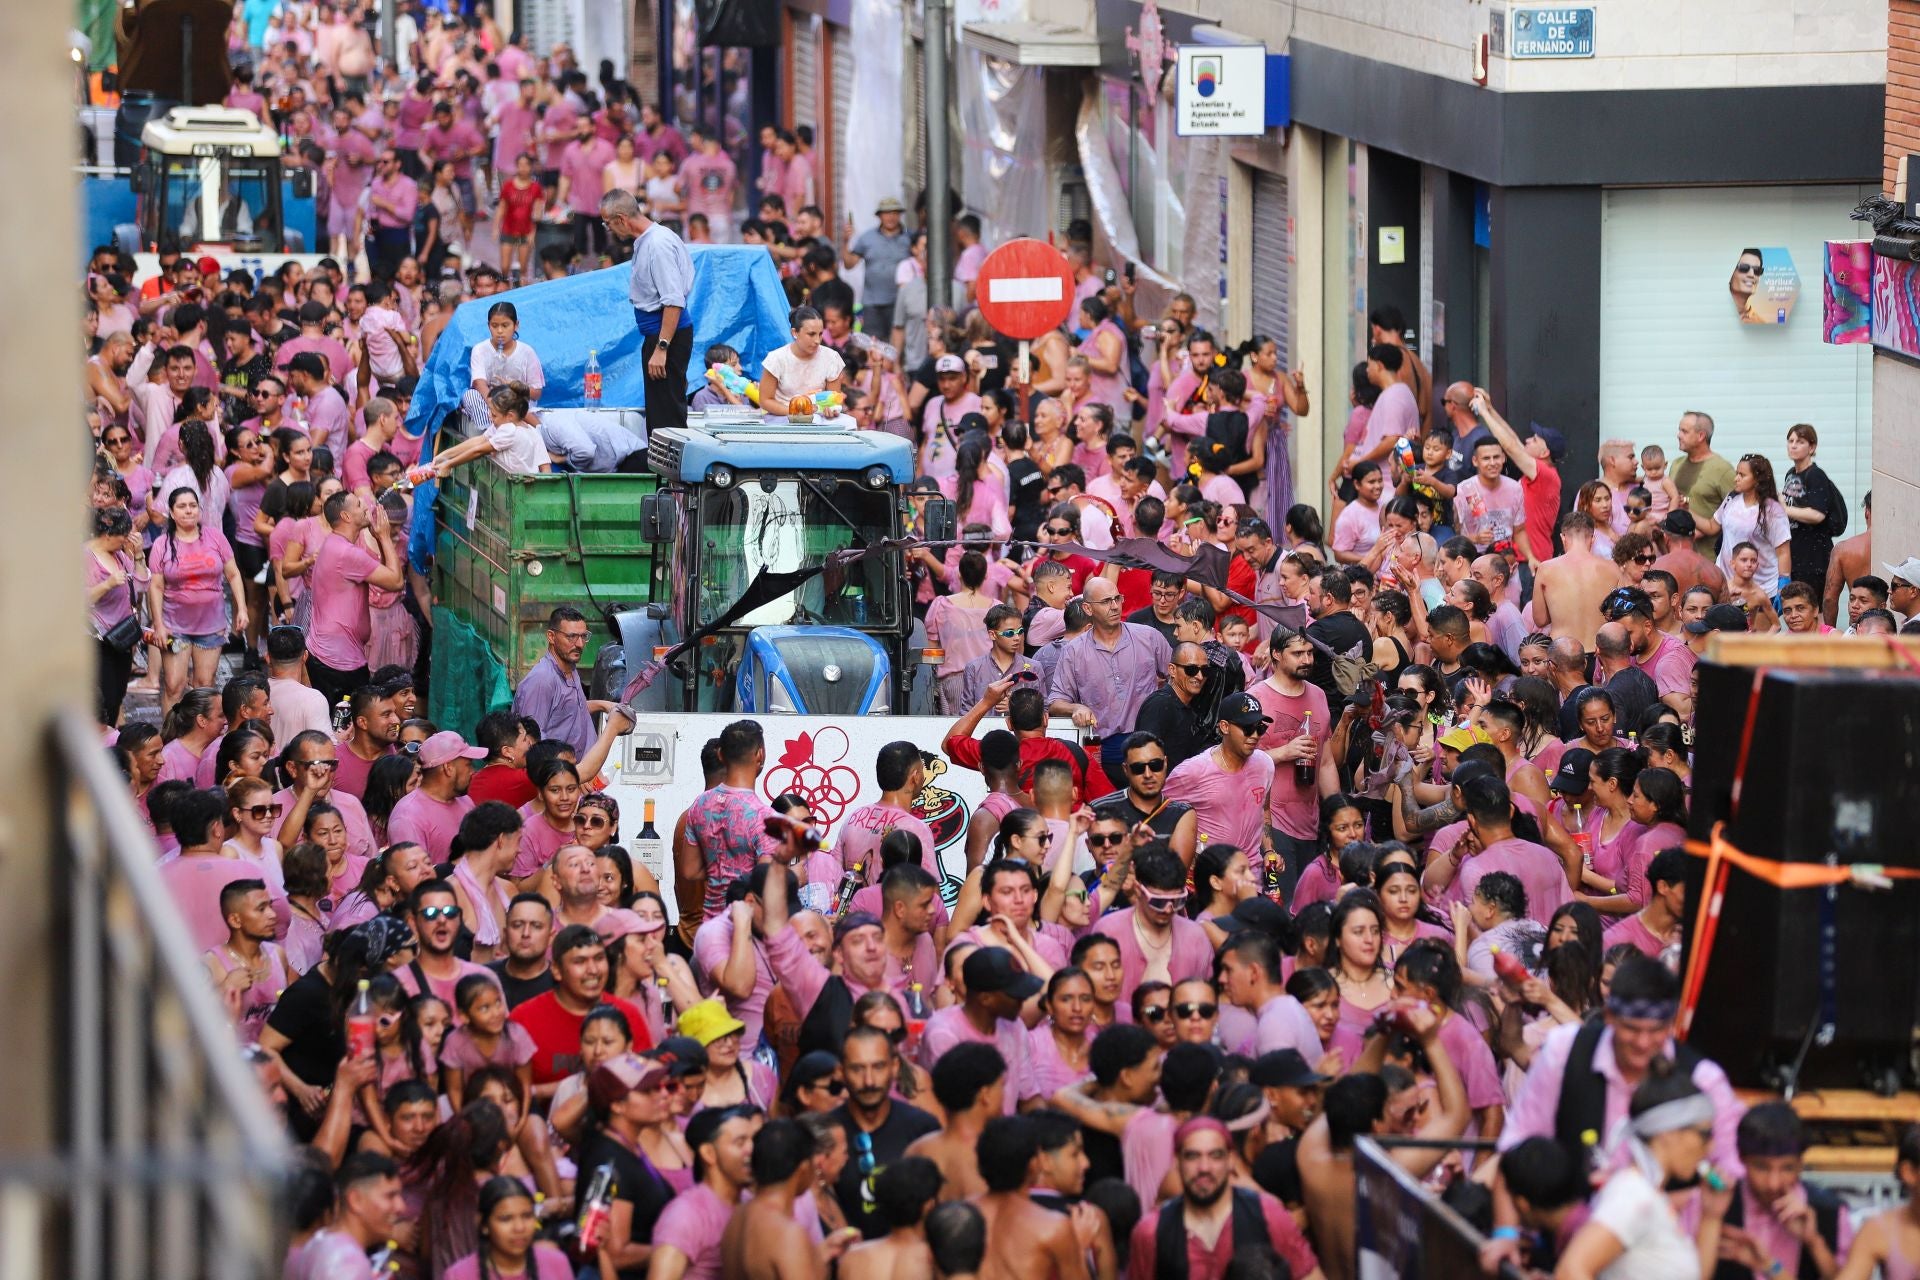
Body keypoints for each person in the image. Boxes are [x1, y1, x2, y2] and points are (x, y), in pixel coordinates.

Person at [1553, 1059, 1734, 1279]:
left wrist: (1711, 1217)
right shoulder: (1633, 1194)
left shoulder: (1649, 1195)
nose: (1711, 1146)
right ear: (1669, 1134)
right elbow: (1571, 1270)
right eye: (1705, 1134)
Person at [1127, 1116, 1321, 1280]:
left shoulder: (1267, 1215)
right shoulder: (1151, 1232)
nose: (1204, 1167)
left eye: (1215, 1156)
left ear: (1231, 1160)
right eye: (1193, 1156)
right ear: (1177, 1162)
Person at [510, 924, 651, 1092]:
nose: (593, 970)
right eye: (580, 961)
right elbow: (508, 1092)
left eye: (599, 958)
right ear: (556, 970)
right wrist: (570, 1090)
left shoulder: (627, 1014)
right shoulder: (523, 1019)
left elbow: (646, 1080)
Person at [833, 1024, 942, 1239]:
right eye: (857, 1068)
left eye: (878, 1067)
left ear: (894, 1067)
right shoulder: (825, 1135)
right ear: (840, 1071)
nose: (869, 1081)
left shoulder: (923, 1129)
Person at [602, 188, 696, 436]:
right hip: (657, 335)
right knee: (659, 410)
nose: (610, 229)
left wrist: (662, 347)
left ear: (621, 219)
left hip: (666, 337)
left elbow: (674, 301)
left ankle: (673, 473)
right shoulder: (647, 241)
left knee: (667, 416)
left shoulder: (658, 244)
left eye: (608, 224)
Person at [306, 490, 406, 708]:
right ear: (346, 517)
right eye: (359, 504)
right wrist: (385, 536)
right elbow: (396, 581)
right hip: (338, 661)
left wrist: (381, 539)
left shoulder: (336, 544)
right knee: (347, 726)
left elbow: (385, 571)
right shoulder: (347, 554)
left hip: (330, 653)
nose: (366, 507)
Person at [1164, 692, 1278, 855]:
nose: (1255, 736)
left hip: (1250, 874)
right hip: (1209, 876)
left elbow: (1264, 810)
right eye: (1247, 728)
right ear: (1224, 727)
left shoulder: (1264, 764)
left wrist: (1268, 851)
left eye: (1260, 728)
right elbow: (1162, 818)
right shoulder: (1192, 771)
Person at [906, 1042, 1007, 1198]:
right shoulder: (990, 1158)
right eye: (1001, 1086)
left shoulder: (917, 1150)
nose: (1003, 1095)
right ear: (985, 1094)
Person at [440, 1176, 574, 1279]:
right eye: (506, 1219)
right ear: (484, 1224)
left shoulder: (557, 1264)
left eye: (527, 1216)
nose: (519, 1227)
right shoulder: (458, 1275)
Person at [1529, 513, 1619, 649]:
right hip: (1600, 652)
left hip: (1563, 653)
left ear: (1563, 538)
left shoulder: (1545, 569)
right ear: (1593, 538)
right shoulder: (1612, 568)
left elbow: (1540, 620)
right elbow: (1622, 615)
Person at [1673, 410, 1738, 559]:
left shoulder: (1722, 469)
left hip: (1709, 559)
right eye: (1679, 430)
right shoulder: (1676, 465)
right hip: (1677, 558)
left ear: (1701, 436)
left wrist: (1707, 529)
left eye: (1684, 431)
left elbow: (1737, 513)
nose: (1678, 435)